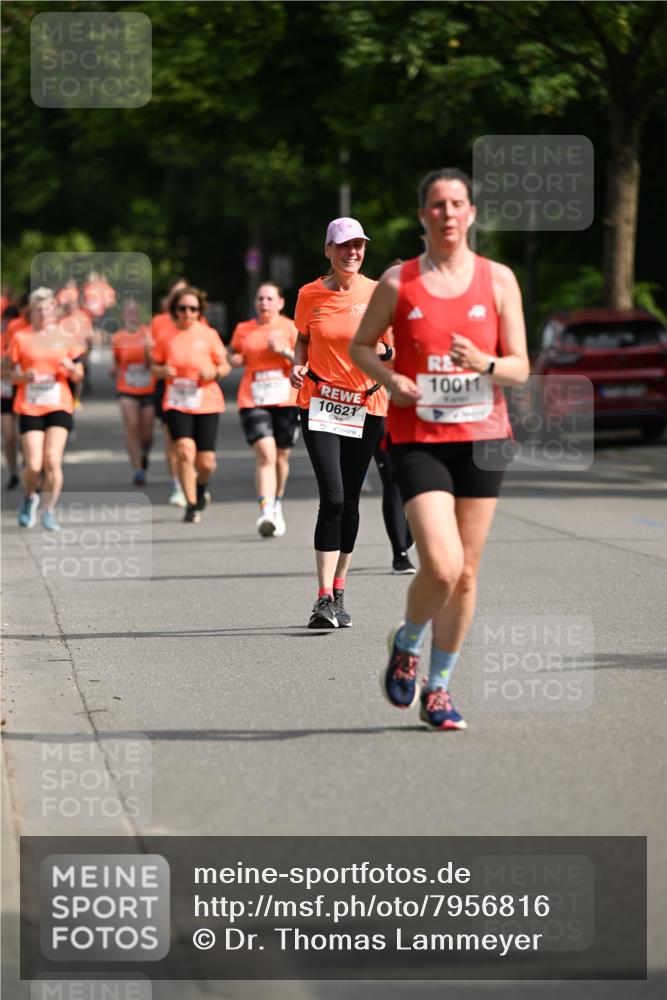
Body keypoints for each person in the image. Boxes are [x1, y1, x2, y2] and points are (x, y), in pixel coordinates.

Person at [349, 168, 529, 730]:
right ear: (423, 215)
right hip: (419, 435)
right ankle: (407, 640)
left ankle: (439, 688)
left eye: (457, 204)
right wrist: (390, 377)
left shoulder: (498, 280)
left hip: (482, 438)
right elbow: (361, 346)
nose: (448, 213)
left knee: (468, 574)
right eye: (437, 205)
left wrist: (487, 364)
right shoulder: (398, 282)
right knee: (443, 565)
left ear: (471, 213)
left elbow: (520, 368)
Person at [291, 217, 391, 629]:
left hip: (367, 404)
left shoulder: (379, 293)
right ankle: (322, 599)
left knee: (350, 500)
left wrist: (379, 351)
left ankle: (340, 588)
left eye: (359, 246)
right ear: (328, 251)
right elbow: (301, 337)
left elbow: (392, 345)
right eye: (344, 246)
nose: (352, 252)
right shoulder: (309, 294)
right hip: (319, 403)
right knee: (331, 496)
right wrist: (298, 366)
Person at [3, 288, 84, 530]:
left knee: (52, 461)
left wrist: (71, 368)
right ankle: (30, 498)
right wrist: (21, 376)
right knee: (34, 464)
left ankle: (48, 510)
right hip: (30, 406)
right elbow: (4, 371)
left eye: (48, 309)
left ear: (54, 312)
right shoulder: (21, 338)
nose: (44, 314)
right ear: (31, 312)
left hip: (59, 404)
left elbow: (79, 374)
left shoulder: (64, 337)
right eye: (39, 310)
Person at [151, 286, 230, 523]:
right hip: (176, 401)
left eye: (193, 308)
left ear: (199, 310)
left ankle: (201, 484)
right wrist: (162, 371)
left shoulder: (208, 334)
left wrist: (215, 372)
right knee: (184, 451)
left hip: (206, 402)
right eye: (183, 308)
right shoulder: (166, 337)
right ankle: (192, 504)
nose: (188, 312)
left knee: (206, 463)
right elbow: (153, 366)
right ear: (175, 310)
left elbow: (225, 366)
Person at [229, 283, 299, 537]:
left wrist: (285, 352)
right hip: (253, 399)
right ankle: (266, 510)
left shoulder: (291, 327)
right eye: (260, 298)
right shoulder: (244, 329)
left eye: (270, 298)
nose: (264, 303)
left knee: (281, 457)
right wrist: (233, 359)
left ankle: (277, 502)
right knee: (266, 454)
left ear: (280, 302)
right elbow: (233, 353)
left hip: (286, 399)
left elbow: (306, 362)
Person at [111, 298, 155, 485]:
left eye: (134, 312)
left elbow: (154, 362)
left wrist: (148, 349)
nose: (132, 316)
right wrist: (113, 370)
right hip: (127, 388)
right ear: (122, 316)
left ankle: (144, 452)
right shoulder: (118, 338)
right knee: (132, 427)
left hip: (148, 388)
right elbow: (117, 363)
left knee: (147, 433)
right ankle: (138, 470)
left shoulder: (148, 334)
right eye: (128, 312)